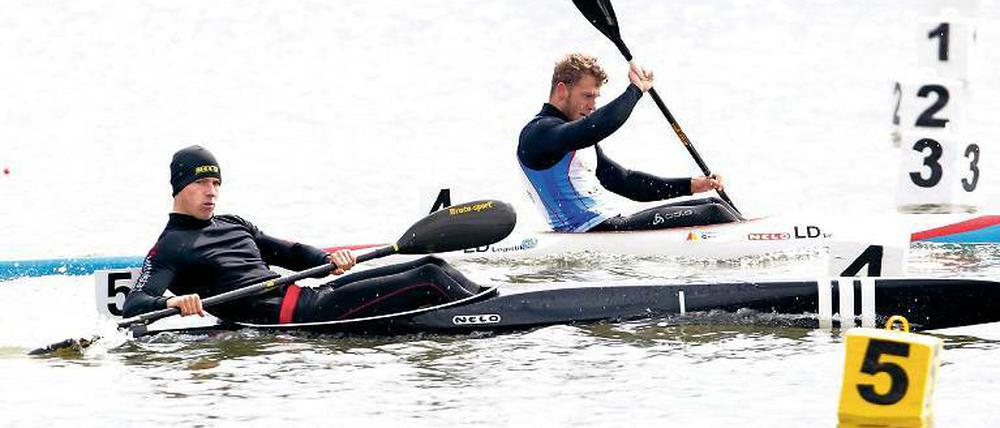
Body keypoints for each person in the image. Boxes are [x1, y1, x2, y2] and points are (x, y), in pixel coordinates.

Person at [123, 145, 481, 324]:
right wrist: (173, 302)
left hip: (306, 294)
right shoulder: (170, 246)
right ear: (180, 186)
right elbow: (134, 306)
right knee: (429, 278)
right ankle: (489, 312)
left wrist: (326, 260)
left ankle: (486, 302)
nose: (211, 191)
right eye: (201, 182)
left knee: (434, 262)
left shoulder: (232, 222)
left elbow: (289, 253)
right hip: (291, 317)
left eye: (215, 182)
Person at [517, 53, 742, 233]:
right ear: (562, 90)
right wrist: (635, 90)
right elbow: (594, 128)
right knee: (713, 213)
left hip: (611, 225)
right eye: (587, 96)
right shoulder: (538, 133)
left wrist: (693, 185)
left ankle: (754, 238)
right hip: (588, 232)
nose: (593, 106)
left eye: (596, 98)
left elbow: (626, 182)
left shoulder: (574, 136)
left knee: (716, 204)